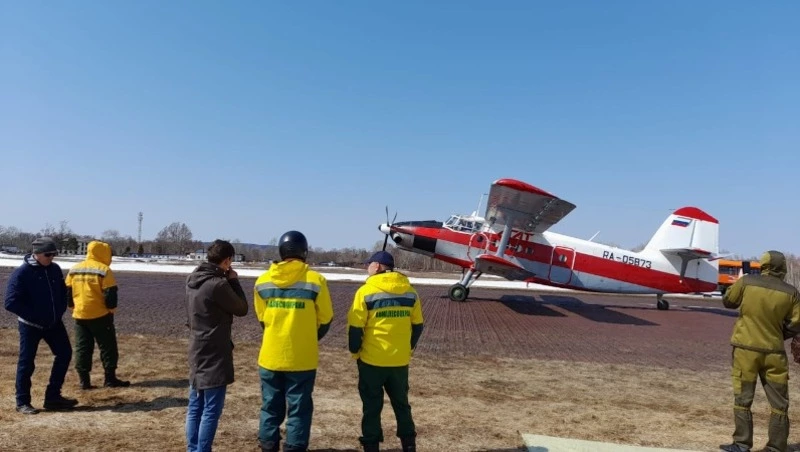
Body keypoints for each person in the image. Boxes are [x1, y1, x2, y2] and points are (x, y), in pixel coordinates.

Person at [253, 231, 333, 452]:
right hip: (302, 359)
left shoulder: (262, 281)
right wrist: (309, 338)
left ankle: (268, 446)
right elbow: (326, 318)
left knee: (270, 406)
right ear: (304, 252)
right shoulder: (316, 281)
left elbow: (262, 318)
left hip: (270, 356)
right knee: (299, 409)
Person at [720, 250, 800, 452]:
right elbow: (796, 323)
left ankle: (741, 444)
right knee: (779, 403)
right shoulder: (791, 293)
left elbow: (729, 301)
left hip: (745, 350)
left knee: (743, 398)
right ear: (783, 268)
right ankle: (776, 447)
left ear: (763, 265)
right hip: (774, 353)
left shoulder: (746, 282)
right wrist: (779, 334)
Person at [347, 251, 424, 452]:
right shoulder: (410, 292)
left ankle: (371, 445)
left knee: (372, 406)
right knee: (402, 404)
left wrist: (355, 352)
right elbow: (418, 326)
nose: (367, 267)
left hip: (372, 361)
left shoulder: (365, 292)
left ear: (378, 266)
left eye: (369, 264)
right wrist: (408, 348)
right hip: (399, 362)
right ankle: (409, 444)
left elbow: (355, 328)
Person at [185, 239, 249, 452]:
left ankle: (193, 448)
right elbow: (241, 308)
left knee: (195, 405)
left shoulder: (193, 278)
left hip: (196, 346)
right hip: (215, 351)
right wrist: (234, 281)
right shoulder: (218, 284)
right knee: (211, 409)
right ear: (227, 261)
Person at [3, 237, 78, 414]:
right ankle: (22, 402)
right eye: (48, 254)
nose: (51, 257)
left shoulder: (55, 269)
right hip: (30, 326)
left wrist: (59, 311)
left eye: (54, 254)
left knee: (65, 353)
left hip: (53, 323)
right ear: (36, 254)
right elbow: (10, 302)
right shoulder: (22, 273)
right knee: (27, 362)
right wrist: (35, 317)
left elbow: (62, 292)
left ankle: (53, 397)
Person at [65, 240, 130, 389]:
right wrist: (111, 310)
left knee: (82, 348)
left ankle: (84, 381)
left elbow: (68, 291)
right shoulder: (104, 270)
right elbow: (110, 294)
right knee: (108, 347)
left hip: (80, 315)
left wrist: (73, 308)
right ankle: (110, 379)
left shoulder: (74, 269)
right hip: (101, 315)